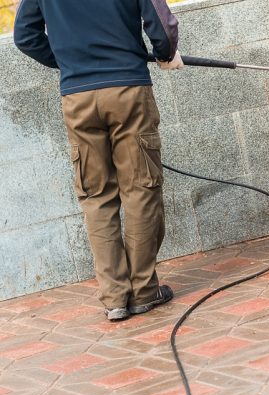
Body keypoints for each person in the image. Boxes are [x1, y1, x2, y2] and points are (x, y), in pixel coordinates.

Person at [13, 0, 184, 321]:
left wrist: (70, 62)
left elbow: (25, 36)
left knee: (96, 197)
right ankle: (144, 291)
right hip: (128, 89)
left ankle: (116, 298)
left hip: (78, 96)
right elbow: (162, 26)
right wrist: (165, 54)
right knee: (141, 189)